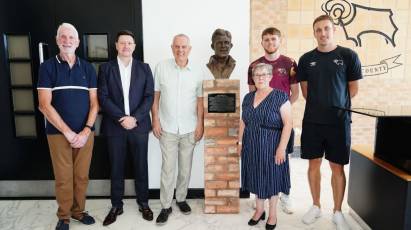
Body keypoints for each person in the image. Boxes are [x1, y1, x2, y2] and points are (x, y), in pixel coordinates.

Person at [298, 15, 362, 230]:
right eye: (318, 30)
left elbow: (353, 88)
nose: (323, 33)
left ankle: (337, 211)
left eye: (326, 29)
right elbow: (306, 91)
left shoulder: (348, 56)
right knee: (313, 165)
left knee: (337, 166)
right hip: (313, 122)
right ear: (314, 33)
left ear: (334, 30)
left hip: (338, 123)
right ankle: (315, 206)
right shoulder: (306, 59)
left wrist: (337, 106)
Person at [37, 22, 98, 230]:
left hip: (85, 134)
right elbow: (44, 105)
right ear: (57, 40)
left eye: (71, 37)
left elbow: (95, 103)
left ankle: (78, 211)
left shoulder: (88, 68)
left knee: (81, 176)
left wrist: (86, 130)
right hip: (57, 134)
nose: (67, 41)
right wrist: (68, 132)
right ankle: (64, 216)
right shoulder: (47, 67)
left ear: (78, 42)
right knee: (64, 178)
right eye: (63, 37)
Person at [98, 30, 154, 226]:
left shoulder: (144, 68)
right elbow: (102, 97)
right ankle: (116, 205)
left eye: (129, 43)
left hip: (138, 126)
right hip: (115, 126)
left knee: (141, 166)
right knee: (116, 167)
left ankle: (144, 203)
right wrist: (122, 118)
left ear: (134, 46)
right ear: (116, 45)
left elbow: (149, 96)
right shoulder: (106, 68)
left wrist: (135, 118)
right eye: (122, 43)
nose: (126, 46)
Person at [151, 34, 204, 225]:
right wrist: (155, 121)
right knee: (167, 169)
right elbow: (155, 98)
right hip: (167, 128)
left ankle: (181, 199)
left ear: (189, 48)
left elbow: (200, 102)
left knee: (185, 168)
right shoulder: (161, 68)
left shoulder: (198, 71)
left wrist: (200, 125)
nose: (180, 50)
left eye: (184, 47)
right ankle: (166, 205)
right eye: (177, 46)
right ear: (171, 47)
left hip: (190, 128)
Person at [248, 27, 299, 214]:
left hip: (282, 123)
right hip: (261, 125)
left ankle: (285, 194)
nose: (270, 42)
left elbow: (295, 93)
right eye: (266, 39)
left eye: (273, 39)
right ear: (261, 42)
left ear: (280, 40)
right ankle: (260, 195)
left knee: (282, 159)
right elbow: (252, 95)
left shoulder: (290, 64)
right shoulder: (254, 65)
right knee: (260, 159)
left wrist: (279, 110)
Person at [238, 63, 292, 230]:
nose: (260, 77)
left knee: (272, 179)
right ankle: (259, 210)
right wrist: (239, 142)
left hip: (272, 144)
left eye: (264, 74)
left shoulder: (281, 97)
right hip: (251, 144)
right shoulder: (248, 98)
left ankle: (273, 214)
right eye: (257, 75)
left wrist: (282, 148)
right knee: (256, 176)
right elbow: (243, 121)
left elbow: (288, 124)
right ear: (253, 78)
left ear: (270, 76)